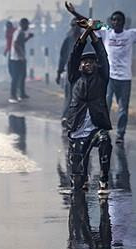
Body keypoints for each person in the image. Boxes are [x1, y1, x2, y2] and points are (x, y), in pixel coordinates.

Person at [65, 18, 112, 194]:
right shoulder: (74, 77)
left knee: (105, 141)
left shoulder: (102, 77)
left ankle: (103, 180)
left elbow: (103, 54)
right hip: (77, 129)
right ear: (80, 65)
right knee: (78, 182)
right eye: (85, 62)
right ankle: (83, 177)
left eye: (91, 61)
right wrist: (86, 31)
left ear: (96, 64)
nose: (88, 64)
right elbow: (74, 54)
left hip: (96, 128)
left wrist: (93, 32)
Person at [97, 11, 136, 144]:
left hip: (125, 78)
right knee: (104, 105)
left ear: (123, 22)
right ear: (111, 21)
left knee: (123, 109)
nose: (116, 22)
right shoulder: (107, 33)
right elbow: (91, 24)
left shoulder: (130, 34)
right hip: (109, 77)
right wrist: (75, 13)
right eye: (113, 20)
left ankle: (120, 134)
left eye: (119, 20)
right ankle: (103, 131)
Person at [57, 18, 82, 129]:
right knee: (69, 96)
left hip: (83, 73)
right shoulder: (68, 39)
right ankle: (65, 117)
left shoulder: (86, 39)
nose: (75, 27)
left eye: (77, 25)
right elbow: (63, 57)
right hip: (71, 72)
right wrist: (59, 71)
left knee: (80, 97)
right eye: (73, 25)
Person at [8, 18, 33, 103]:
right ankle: (13, 96)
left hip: (19, 58)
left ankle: (22, 94)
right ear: (23, 24)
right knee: (16, 77)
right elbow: (16, 44)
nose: (28, 27)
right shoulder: (19, 32)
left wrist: (28, 38)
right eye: (27, 25)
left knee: (22, 76)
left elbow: (21, 42)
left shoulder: (20, 32)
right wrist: (21, 56)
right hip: (16, 59)